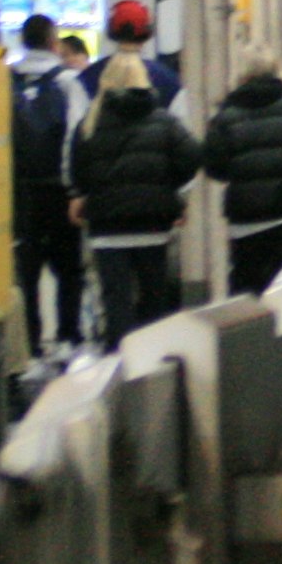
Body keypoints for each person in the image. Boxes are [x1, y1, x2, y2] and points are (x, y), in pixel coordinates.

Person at [66, 58, 198, 348]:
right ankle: (151, 367)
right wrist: (171, 192)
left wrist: (82, 196)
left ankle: (119, 368)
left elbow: (77, 169)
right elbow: (191, 157)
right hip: (152, 225)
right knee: (153, 300)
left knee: (116, 304)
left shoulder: (89, 124)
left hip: (106, 229)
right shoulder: (164, 120)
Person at [201, 54, 282, 293]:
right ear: (278, 73)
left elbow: (215, 168)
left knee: (247, 289)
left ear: (242, 77)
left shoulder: (224, 118)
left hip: (244, 219)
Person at [9, 14, 86, 354]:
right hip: (58, 189)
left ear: (22, 41)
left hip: (21, 190)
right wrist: (76, 189)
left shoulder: (3, 80)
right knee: (68, 267)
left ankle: (32, 343)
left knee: (27, 271)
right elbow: (76, 136)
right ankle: (68, 336)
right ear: (54, 43)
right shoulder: (69, 81)